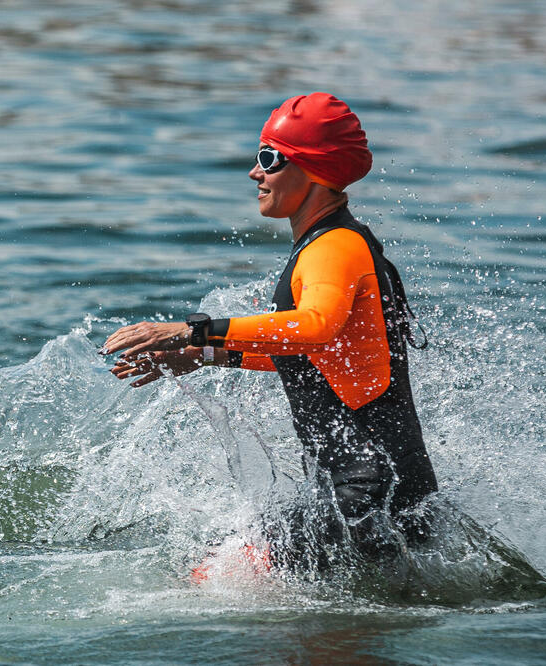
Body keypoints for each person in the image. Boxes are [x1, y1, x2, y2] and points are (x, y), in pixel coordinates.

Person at [100, 92, 437, 564]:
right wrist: (208, 355)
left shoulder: (335, 247)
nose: (255, 173)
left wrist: (192, 331)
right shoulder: (332, 243)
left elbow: (314, 327)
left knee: (218, 581)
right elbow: (322, 356)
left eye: (269, 158)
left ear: (314, 168)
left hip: (366, 492)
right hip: (374, 487)